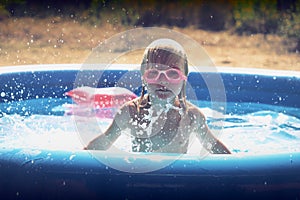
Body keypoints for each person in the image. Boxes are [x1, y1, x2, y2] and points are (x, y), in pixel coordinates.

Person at [85, 39, 230, 154]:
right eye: (154, 73)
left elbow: (216, 149)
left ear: (184, 77)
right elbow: (101, 144)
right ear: (143, 76)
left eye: (173, 73)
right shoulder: (129, 113)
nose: (163, 81)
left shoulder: (192, 117)